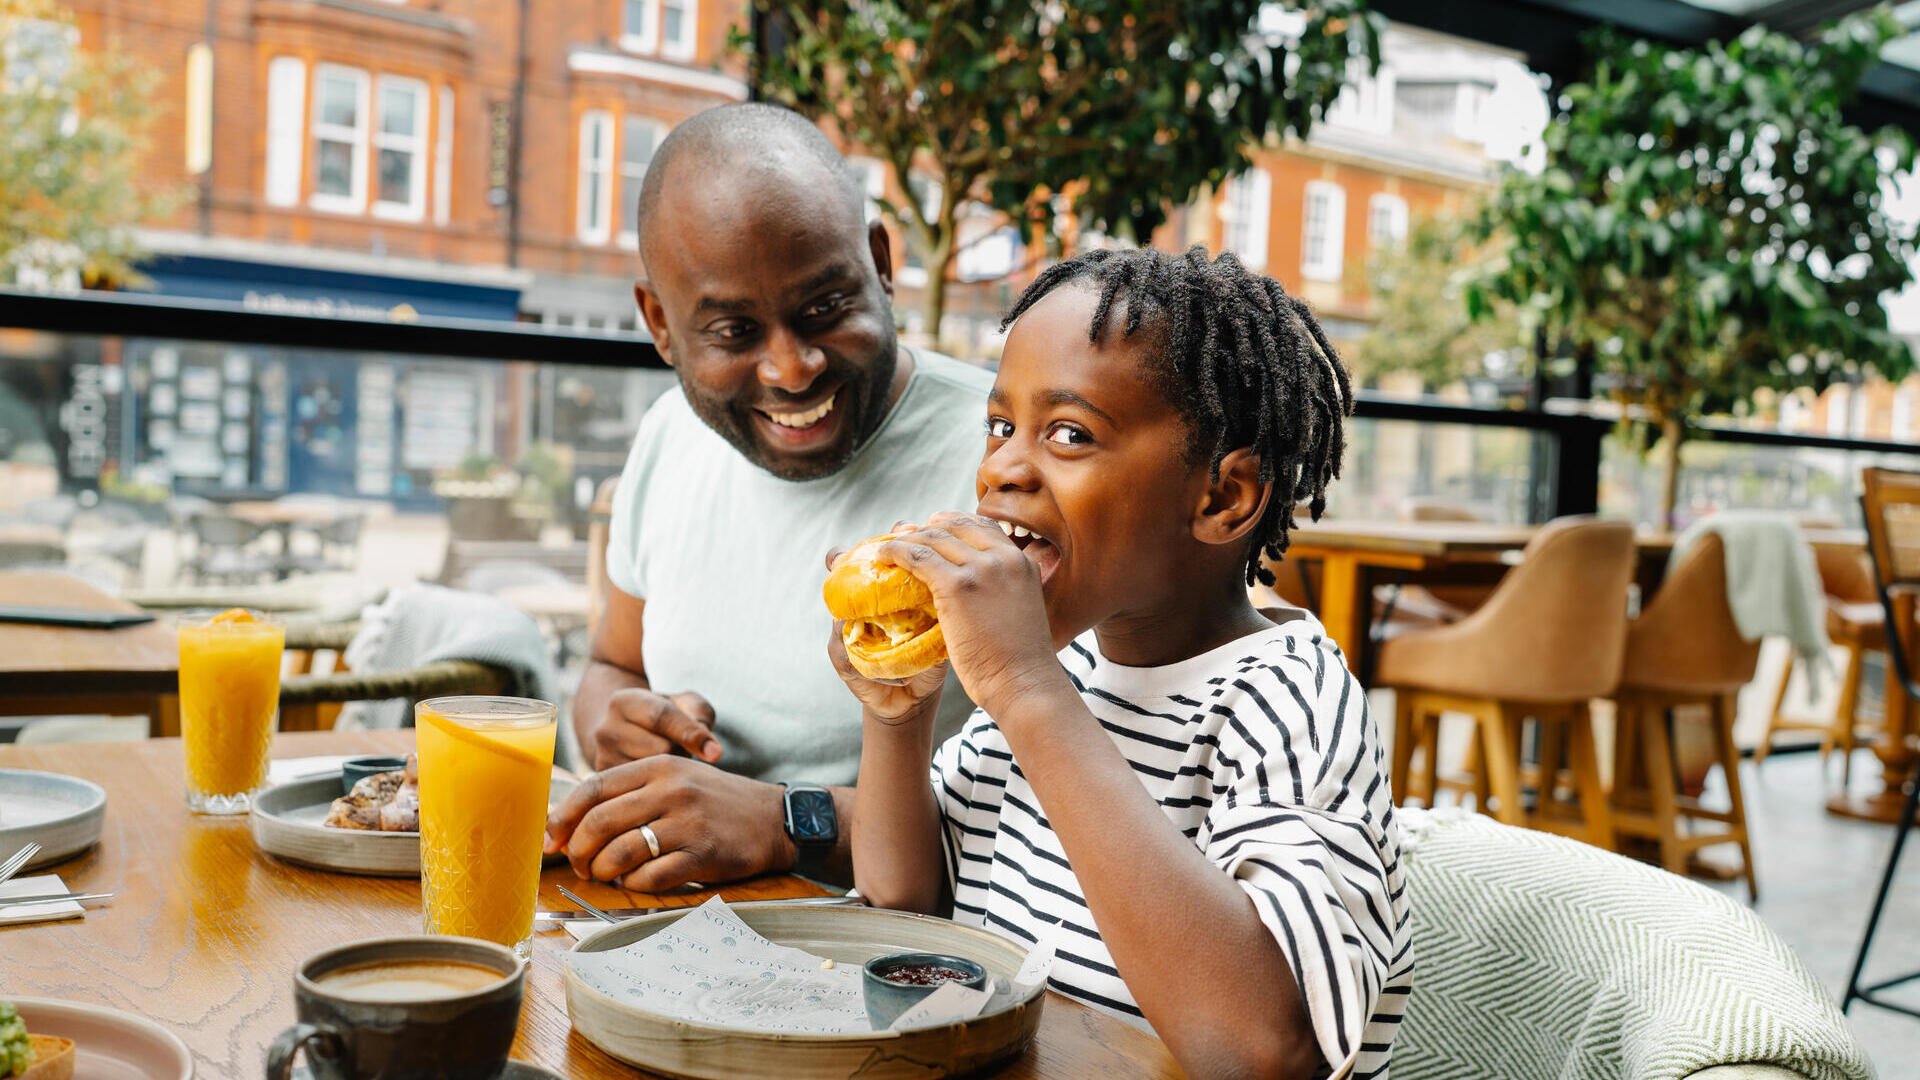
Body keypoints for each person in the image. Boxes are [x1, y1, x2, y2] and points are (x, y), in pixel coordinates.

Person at [833, 247, 1411, 1078]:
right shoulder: (1065, 677)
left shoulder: (1285, 702)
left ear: (1221, 498)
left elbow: (1260, 1050)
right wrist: (899, 712)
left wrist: (1026, 693)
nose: (1001, 468)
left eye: (1069, 433)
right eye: (1001, 426)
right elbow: (905, 906)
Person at [544, 104, 991, 891]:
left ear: (881, 264)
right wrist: (613, 728)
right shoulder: (670, 433)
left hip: (900, 962)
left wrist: (784, 822)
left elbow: (1058, 810)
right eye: (732, 333)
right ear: (659, 324)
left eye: (825, 308)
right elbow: (612, 663)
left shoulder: (1007, 459)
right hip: (664, 929)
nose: (792, 368)